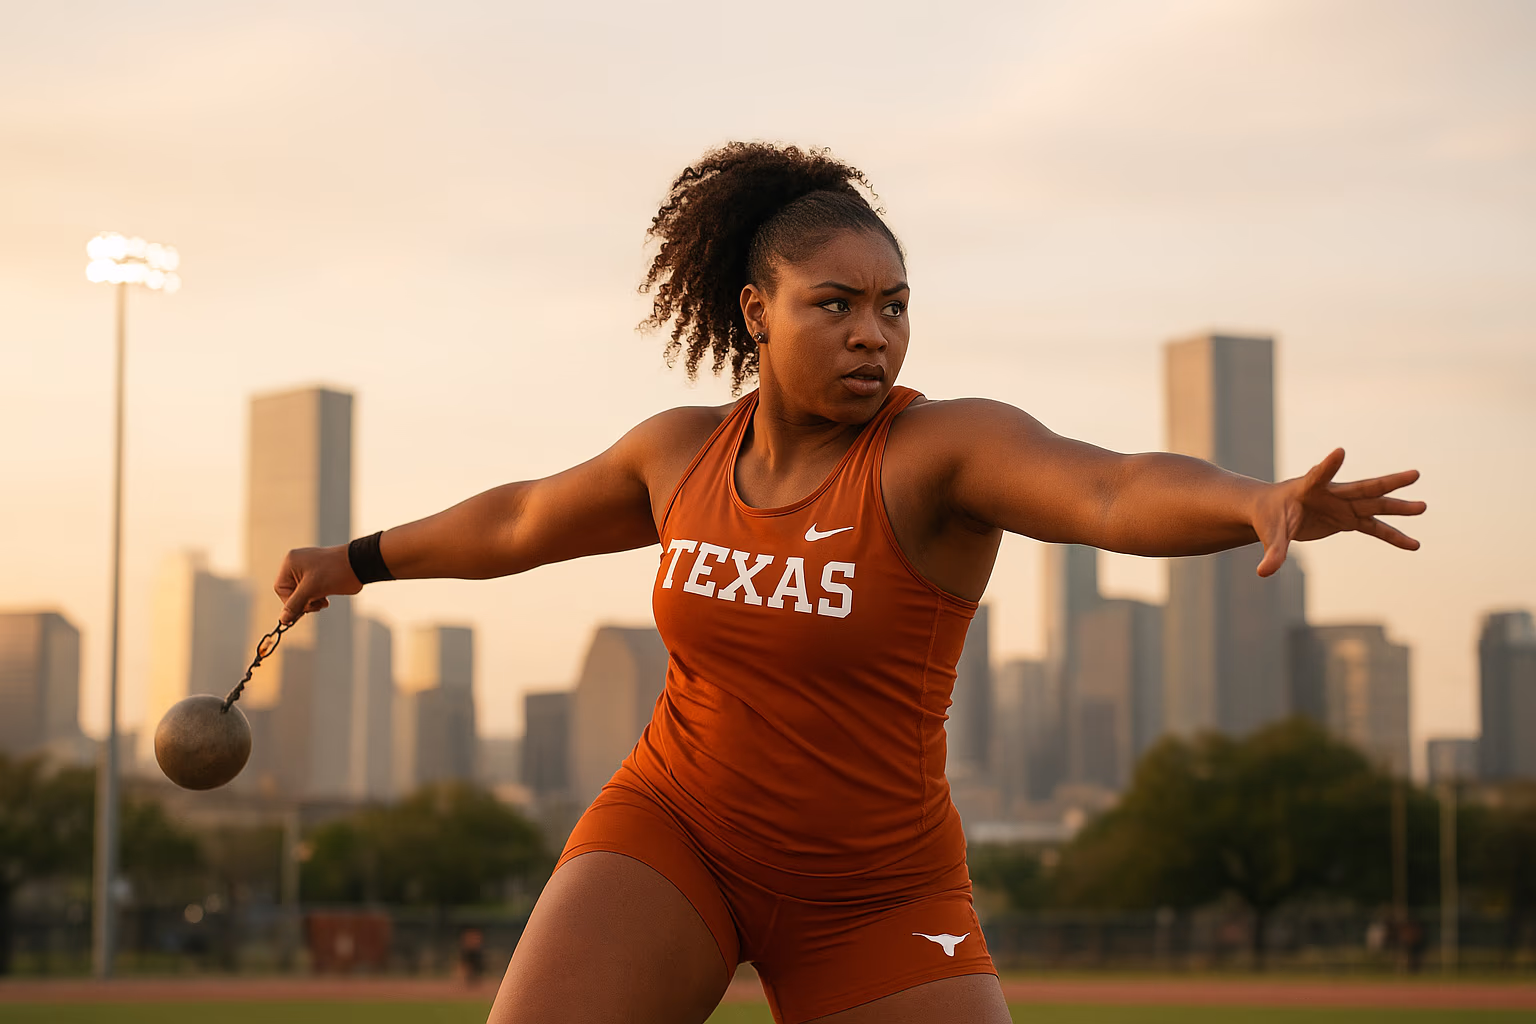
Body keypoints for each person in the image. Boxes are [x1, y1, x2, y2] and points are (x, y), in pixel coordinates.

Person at [272, 142, 1426, 1024]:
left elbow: (1111, 489)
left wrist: (1250, 500)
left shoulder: (938, 455)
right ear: (755, 314)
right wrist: (353, 562)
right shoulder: (679, 455)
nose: (874, 334)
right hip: (673, 828)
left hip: (879, 888)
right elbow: (519, 517)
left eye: (894, 305)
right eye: (835, 304)